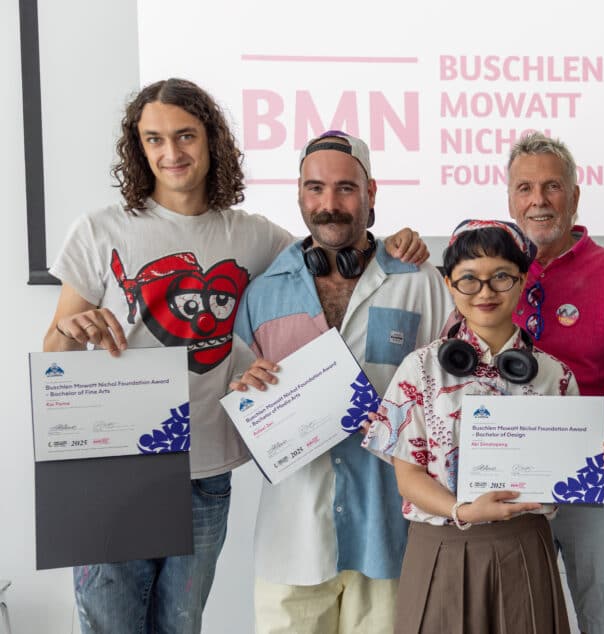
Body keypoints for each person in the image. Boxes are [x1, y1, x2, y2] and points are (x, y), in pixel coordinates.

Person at [43, 79, 425, 634]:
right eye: (154, 139)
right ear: (138, 146)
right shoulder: (100, 229)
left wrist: (400, 241)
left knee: (182, 625)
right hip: (115, 470)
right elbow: (53, 354)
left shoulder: (254, 237)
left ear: (211, 141)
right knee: (109, 626)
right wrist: (71, 332)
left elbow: (332, 245)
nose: (171, 153)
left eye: (185, 136)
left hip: (204, 472)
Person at [229, 130, 451, 634]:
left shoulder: (418, 281)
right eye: (315, 188)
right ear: (300, 194)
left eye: (346, 188)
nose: (329, 204)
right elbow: (237, 406)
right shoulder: (262, 294)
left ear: (371, 193)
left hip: (392, 535)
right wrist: (245, 393)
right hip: (294, 540)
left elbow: (456, 387)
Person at [362, 220, 604, 634]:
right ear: (449, 284)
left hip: (524, 547)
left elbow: (565, 475)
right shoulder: (419, 369)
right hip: (441, 548)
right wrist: (462, 510)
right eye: (469, 279)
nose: (485, 292)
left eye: (501, 277)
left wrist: (592, 463)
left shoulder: (555, 376)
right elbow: (407, 476)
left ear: (522, 281)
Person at [505, 132, 604, 634]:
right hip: (513, 472)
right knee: (520, 619)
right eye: (524, 188)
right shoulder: (493, 269)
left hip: (600, 472)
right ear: (510, 198)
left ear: (574, 195)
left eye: (552, 186)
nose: (538, 200)